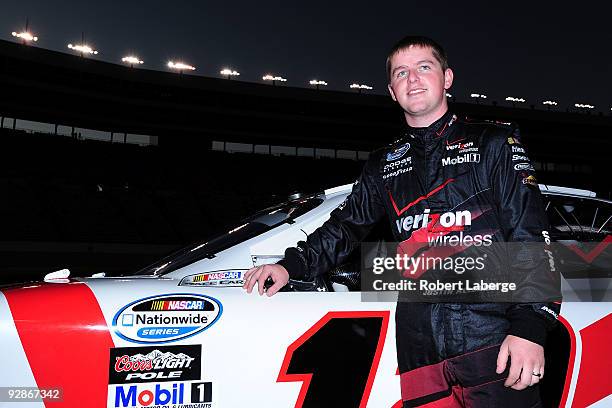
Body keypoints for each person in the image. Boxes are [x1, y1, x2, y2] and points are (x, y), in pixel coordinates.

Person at [243, 36, 560, 407]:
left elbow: (532, 237)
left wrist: (530, 328)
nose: (413, 79)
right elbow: (346, 225)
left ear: (447, 78)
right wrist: (291, 265)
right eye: (401, 73)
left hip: (491, 339)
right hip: (419, 348)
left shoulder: (494, 143)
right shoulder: (384, 164)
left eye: (424, 67)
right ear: (392, 91)